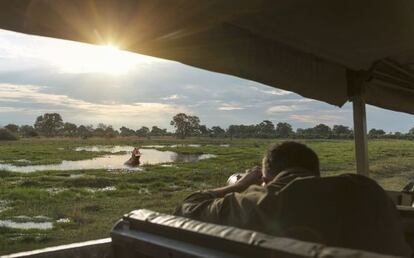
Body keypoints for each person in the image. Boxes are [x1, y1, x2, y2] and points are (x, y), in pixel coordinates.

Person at [174, 141, 320, 231]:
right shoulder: (341, 196)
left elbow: (186, 209)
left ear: (267, 180)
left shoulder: (256, 204)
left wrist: (239, 186)